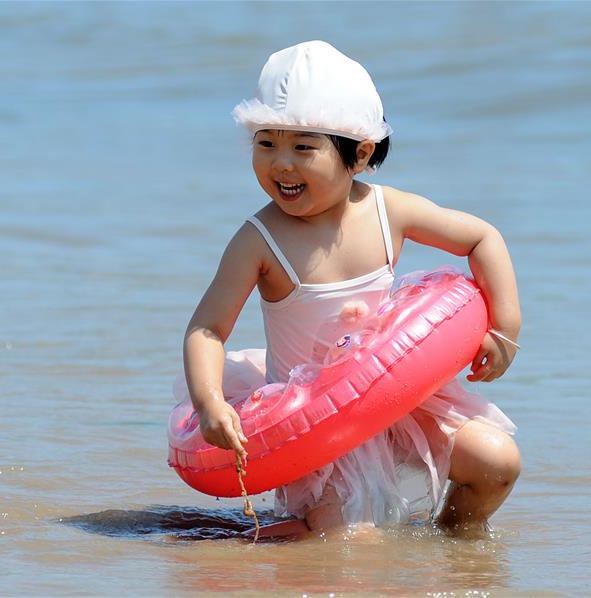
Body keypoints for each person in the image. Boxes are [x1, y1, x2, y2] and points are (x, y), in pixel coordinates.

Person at [176, 40, 521, 537]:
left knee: (497, 461)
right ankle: (282, 535)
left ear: (358, 154)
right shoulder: (260, 240)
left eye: (303, 147)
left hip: (396, 402)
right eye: (266, 143)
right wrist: (211, 403)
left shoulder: (389, 212)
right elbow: (207, 328)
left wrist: (504, 327)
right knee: (351, 545)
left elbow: (481, 237)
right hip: (312, 424)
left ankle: (451, 542)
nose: (281, 165)